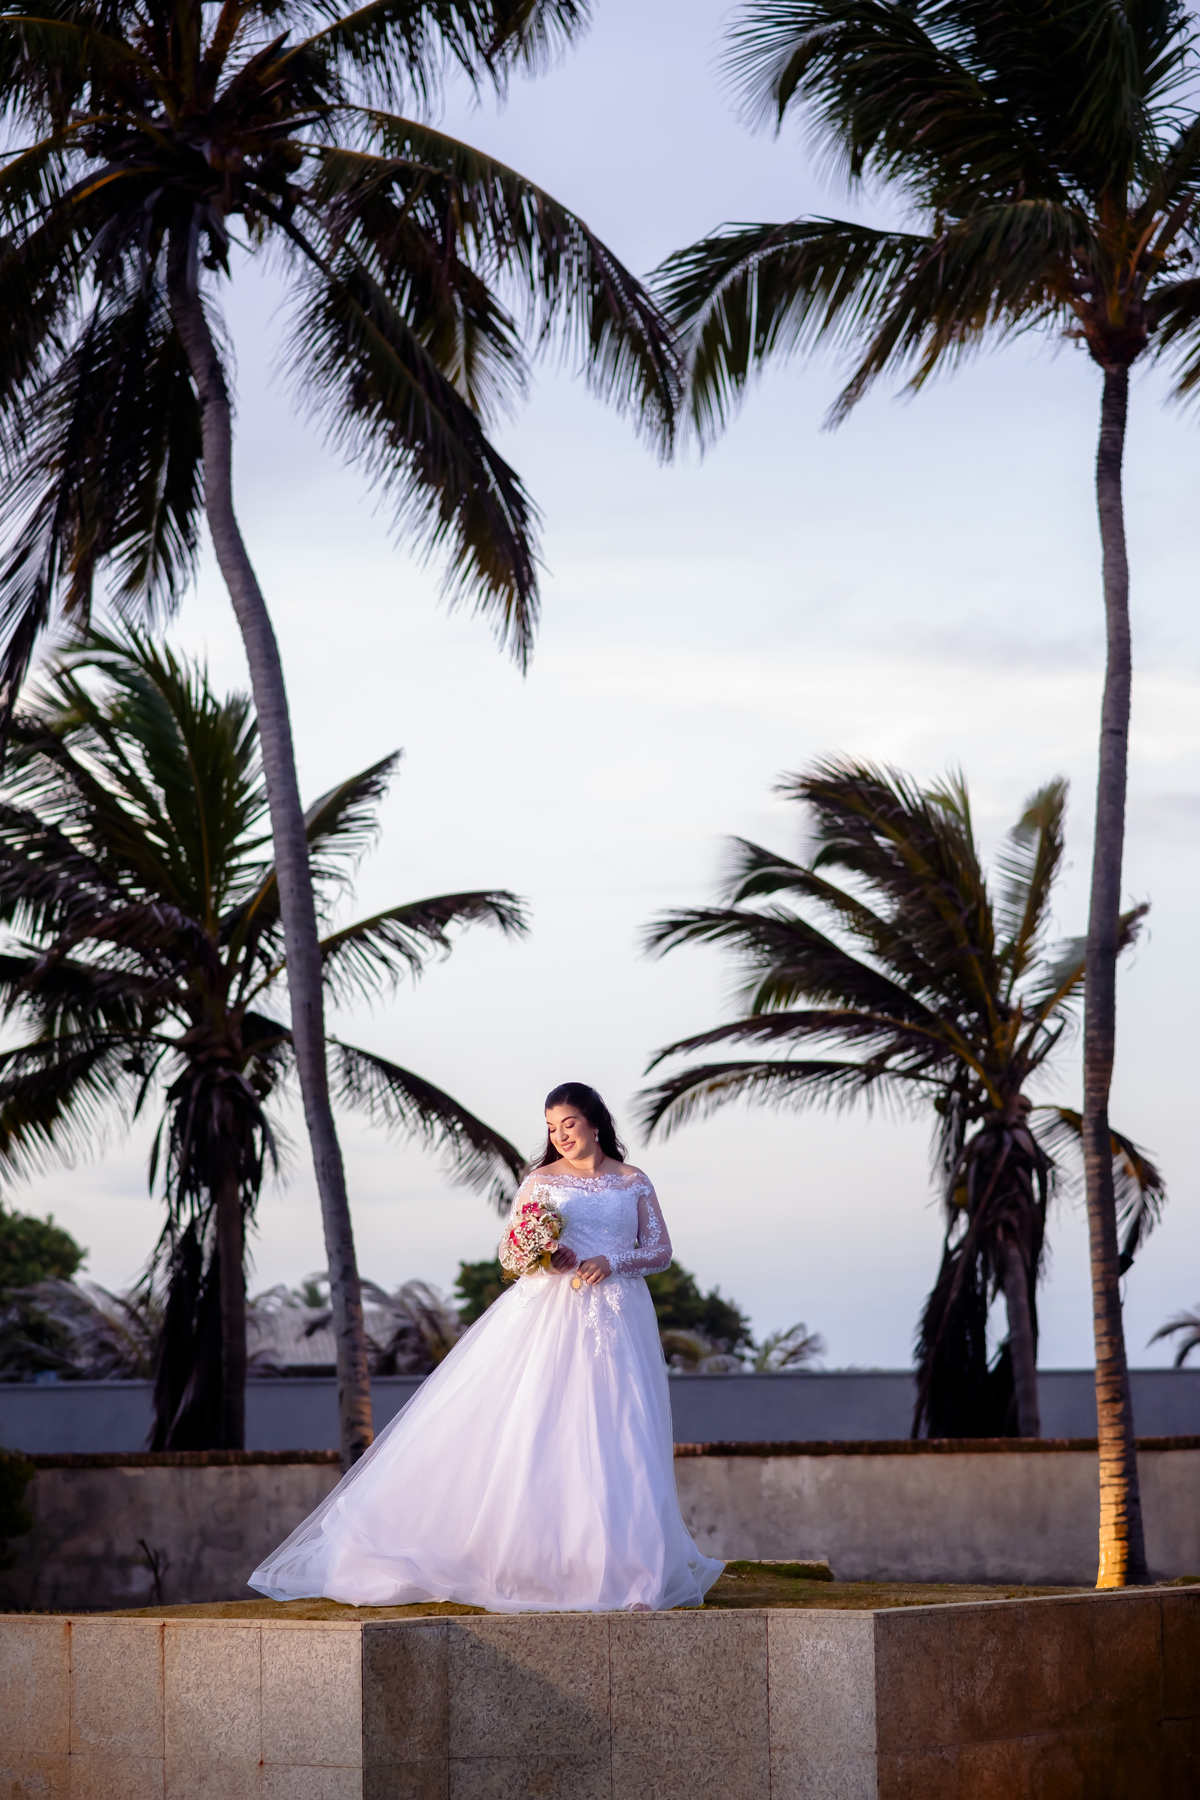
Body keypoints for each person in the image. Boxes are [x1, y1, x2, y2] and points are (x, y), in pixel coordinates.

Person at [248, 1081, 724, 1612]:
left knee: (623, 1427)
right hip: (549, 1315)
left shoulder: (633, 1181)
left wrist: (614, 1261)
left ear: (594, 1122)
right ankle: (533, 1560)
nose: (560, 1135)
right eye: (550, 1127)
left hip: (618, 1315)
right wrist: (550, 1253)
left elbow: (659, 1250)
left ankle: (631, 1569)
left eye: (568, 1123)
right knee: (538, 1424)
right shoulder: (541, 1181)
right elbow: (512, 1249)